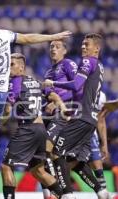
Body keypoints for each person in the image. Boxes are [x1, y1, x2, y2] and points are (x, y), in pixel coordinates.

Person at [0, 14, 72, 197]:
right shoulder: (5, 35)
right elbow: (27, 38)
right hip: (6, 100)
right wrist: (51, 37)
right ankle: (67, 194)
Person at [43, 33, 110, 199]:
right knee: (75, 159)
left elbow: (76, 85)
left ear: (97, 48)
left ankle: (67, 194)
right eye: (82, 44)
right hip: (90, 120)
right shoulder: (100, 65)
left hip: (81, 117)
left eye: (87, 44)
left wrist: (54, 84)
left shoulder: (86, 61)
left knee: (56, 153)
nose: (83, 47)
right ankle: (101, 191)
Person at [1, 53, 67, 199]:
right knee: (38, 171)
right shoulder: (36, 82)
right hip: (41, 130)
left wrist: (0, 122)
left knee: (6, 166)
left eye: (12, 65)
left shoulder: (15, 82)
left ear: (21, 67)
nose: (9, 68)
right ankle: (64, 196)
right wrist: (62, 107)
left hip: (27, 129)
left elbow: (7, 109)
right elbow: (54, 96)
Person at [41, 40, 78, 198]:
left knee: (45, 149)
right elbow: (49, 93)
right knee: (52, 153)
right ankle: (66, 193)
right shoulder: (48, 73)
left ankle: (53, 190)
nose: (53, 49)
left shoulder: (68, 64)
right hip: (52, 114)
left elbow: (78, 86)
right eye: (51, 47)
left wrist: (63, 105)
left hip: (66, 112)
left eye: (57, 47)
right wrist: (50, 102)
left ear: (64, 51)